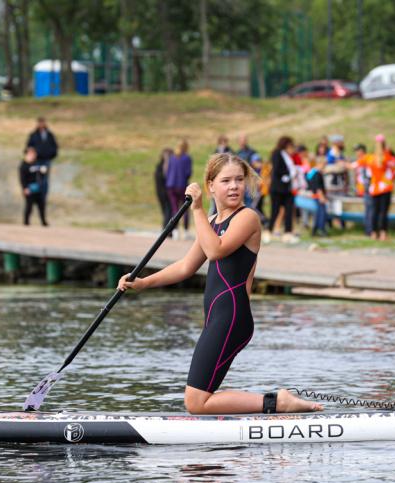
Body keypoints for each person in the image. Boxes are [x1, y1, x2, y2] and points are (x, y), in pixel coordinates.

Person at [117, 153, 322, 415]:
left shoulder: (247, 217)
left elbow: (216, 251)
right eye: (226, 181)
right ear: (211, 185)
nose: (234, 186)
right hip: (217, 318)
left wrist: (197, 210)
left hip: (233, 317)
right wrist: (144, 282)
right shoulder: (213, 222)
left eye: (239, 180)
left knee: (196, 402)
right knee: (198, 399)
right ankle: (267, 408)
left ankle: (278, 402)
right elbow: (186, 266)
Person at [265, 136, 298, 244]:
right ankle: (269, 231)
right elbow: (277, 169)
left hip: (287, 189)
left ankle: (288, 233)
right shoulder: (277, 153)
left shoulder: (288, 156)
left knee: (289, 210)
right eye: (290, 145)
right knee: (275, 210)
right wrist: (288, 174)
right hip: (277, 188)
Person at [366, 135, 395, 241]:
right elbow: (394, 172)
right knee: (384, 212)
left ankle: (373, 233)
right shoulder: (389, 157)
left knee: (374, 211)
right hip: (386, 187)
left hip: (374, 188)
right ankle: (383, 233)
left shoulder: (371, 158)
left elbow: (368, 174)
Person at [166, 139, 193, 238]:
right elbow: (188, 173)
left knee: (174, 209)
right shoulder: (187, 158)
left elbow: (168, 171)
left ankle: (175, 231)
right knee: (184, 209)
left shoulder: (172, 157)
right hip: (182, 185)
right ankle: (185, 231)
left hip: (171, 185)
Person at [19, 147, 48, 226]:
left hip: (38, 188)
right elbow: (22, 179)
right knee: (29, 206)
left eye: (34, 154)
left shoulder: (36, 164)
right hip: (29, 188)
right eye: (31, 154)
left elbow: (41, 175)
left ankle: (44, 222)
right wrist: (25, 188)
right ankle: (26, 222)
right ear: (27, 154)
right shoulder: (23, 166)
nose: (33, 156)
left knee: (41, 206)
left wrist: (43, 171)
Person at [351, 143, 372, 236]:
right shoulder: (361, 160)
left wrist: (342, 163)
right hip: (361, 188)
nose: (356, 153)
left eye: (357, 150)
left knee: (369, 209)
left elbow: (352, 166)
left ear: (362, 151)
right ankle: (367, 228)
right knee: (366, 209)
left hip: (367, 188)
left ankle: (369, 229)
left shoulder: (366, 159)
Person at [306, 158, 329, 237]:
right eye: (324, 165)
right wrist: (322, 197)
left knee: (318, 213)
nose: (325, 167)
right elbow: (318, 187)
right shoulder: (317, 174)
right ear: (320, 164)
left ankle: (315, 229)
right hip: (318, 196)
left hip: (314, 195)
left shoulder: (311, 172)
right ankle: (321, 229)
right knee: (322, 212)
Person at [154, 148, 173, 227]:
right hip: (163, 192)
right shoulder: (161, 166)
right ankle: (166, 228)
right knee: (167, 210)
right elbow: (163, 177)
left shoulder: (161, 166)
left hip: (164, 192)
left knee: (168, 211)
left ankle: (167, 228)